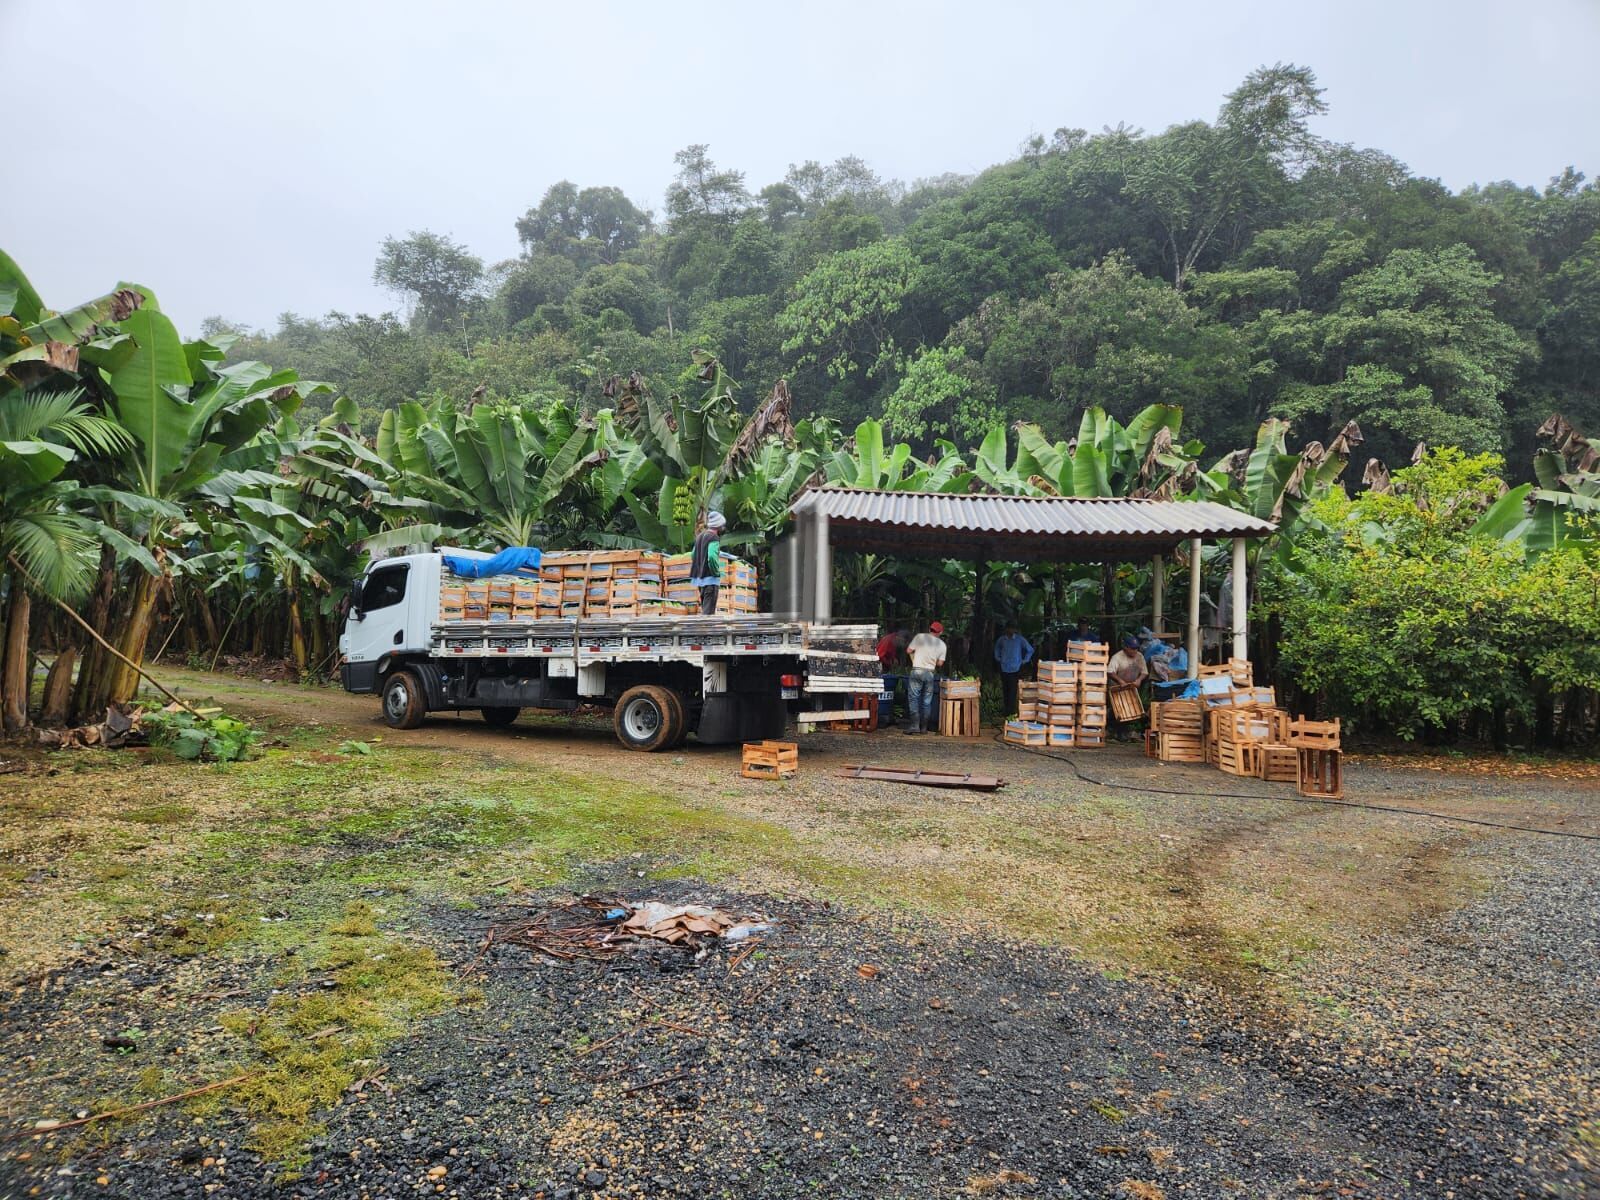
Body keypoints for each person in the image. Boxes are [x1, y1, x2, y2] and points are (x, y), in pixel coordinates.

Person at [903, 620, 947, 735]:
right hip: (930, 673)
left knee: (913, 698)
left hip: (917, 671)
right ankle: (924, 728)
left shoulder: (920, 637)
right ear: (940, 632)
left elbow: (908, 650)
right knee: (927, 701)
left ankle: (914, 726)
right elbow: (940, 664)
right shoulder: (942, 645)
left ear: (929, 629)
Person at [1108, 634, 1149, 741]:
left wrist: (1139, 680)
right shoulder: (1117, 657)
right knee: (1119, 711)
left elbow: (1144, 672)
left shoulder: (1140, 656)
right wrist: (1120, 681)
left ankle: (1127, 732)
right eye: (1132, 648)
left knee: (1132, 710)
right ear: (1125, 647)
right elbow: (1110, 672)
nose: (1135, 651)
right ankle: (1118, 732)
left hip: (1132, 687)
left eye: (1136, 648)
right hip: (1118, 688)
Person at [992, 622, 1034, 716]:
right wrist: (998, 658)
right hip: (1004, 667)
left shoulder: (1019, 639)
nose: (1011, 631)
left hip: (1015, 668)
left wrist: (1025, 660)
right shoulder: (1002, 640)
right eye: (1009, 629)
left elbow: (1030, 650)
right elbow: (997, 649)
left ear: (1015, 630)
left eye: (1012, 629)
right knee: (1005, 689)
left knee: (1013, 690)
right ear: (1006, 629)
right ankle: (1006, 710)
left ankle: (1011, 711)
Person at [690, 511, 726, 615]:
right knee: (708, 615)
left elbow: (693, 555)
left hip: (700, 581)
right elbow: (711, 557)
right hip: (711, 581)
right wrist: (716, 573)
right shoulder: (714, 538)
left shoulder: (700, 537)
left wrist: (701, 568)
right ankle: (705, 631)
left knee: (705, 611)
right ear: (718, 525)